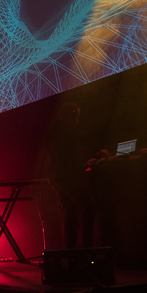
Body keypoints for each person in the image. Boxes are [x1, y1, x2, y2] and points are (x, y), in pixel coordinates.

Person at [46, 103, 108, 249]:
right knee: (88, 207)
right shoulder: (66, 125)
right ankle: (87, 248)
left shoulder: (57, 129)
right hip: (65, 176)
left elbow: (64, 158)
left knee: (70, 211)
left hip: (56, 176)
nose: (78, 120)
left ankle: (71, 250)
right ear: (73, 115)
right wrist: (98, 151)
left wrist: (84, 165)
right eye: (77, 116)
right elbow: (81, 137)